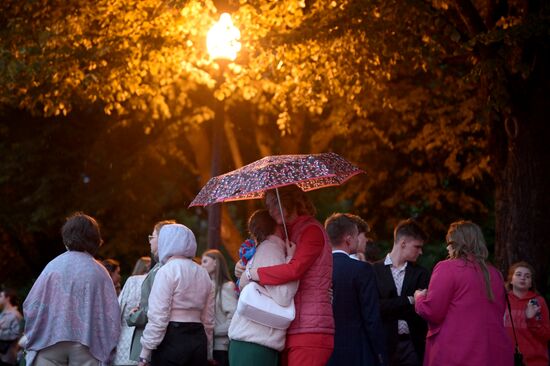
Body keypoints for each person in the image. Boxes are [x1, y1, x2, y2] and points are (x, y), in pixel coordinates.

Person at [246, 185, 334, 366]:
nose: (270, 211)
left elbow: (295, 269)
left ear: (289, 201)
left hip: (310, 329)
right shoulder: (288, 232)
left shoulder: (311, 230)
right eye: (268, 206)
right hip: (291, 326)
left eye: (273, 204)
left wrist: (255, 273)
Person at [23, 212, 120, 366]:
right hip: (87, 344)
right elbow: (111, 314)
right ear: (95, 239)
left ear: (66, 237)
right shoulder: (100, 272)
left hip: (49, 341)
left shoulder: (52, 267)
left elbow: (31, 304)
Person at [414, 220, 513, 366]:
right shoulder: (495, 274)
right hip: (494, 354)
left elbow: (433, 311)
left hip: (456, 353)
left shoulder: (447, 268)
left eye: (449, 243)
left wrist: (419, 298)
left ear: (456, 244)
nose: (447, 248)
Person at [137, 223, 214, 366]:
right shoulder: (203, 273)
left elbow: (158, 316)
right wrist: (208, 351)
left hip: (172, 338)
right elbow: (208, 319)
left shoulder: (167, 271)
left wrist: (145, 353)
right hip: (198, 338)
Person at [228, 209, 298, 366]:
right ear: (277, 226)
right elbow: (284, 295)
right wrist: (291, 260)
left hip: (250, 341)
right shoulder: (271, 249)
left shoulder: (262, 249)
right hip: (256, 344)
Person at [325, 213, 386, 366]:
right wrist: (381, 353)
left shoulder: (318, 269)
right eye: (356, 236)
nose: (359, 240)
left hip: (326, 350)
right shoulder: (362, 270)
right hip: (357, 350)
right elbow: (372, 317)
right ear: (348, 239)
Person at [372, 219, 430, 366]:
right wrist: (410, 300)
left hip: (413, 345)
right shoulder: (373, 271)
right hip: (383, 344)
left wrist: (391, 305)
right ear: (403, 243)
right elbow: (376, 307)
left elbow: (421, 311)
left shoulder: (421, 274)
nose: (421, 252)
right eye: (417, 246)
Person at [127, 220, 174, 362]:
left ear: (162, 239)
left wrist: (133, 316)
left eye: (152, 237)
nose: (150, 242)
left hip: (154, 340)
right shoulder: (160, 266)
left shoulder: (162, 269)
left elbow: (157, 307)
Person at [504, 261, 550, 366]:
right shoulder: (503, 301)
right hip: (506, 359)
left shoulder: (538, 302)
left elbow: (547, 335)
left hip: (534, 361)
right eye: (518, 274)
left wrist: (531, 319)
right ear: (511, 280)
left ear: (530, 283)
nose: (523, 278)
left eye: (527, 276)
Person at [201, 249, 238, 366]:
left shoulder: (227, 287)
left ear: (216, 262)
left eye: (205, 261)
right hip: (207, 348)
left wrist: (210, 332)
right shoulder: (206, 286)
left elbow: (233, 319)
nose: (201, 265)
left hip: (220, 348)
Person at [112, 258, 151, 366]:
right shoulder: (160, 281)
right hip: (148, 342)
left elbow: (118, 312)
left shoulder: (132, 281)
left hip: (124, 341)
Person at [0, 288, 23, 366]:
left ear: (8, 298)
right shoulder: (3, 313)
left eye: (1, 296)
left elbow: (15, 334)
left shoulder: (15, 315)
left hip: (9, 357)